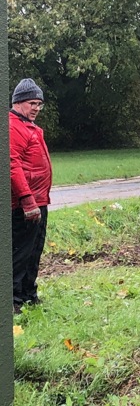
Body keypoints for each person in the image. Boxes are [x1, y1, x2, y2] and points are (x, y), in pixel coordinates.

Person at [9, 78, 52, 314]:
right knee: (20, 252)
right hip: (24, 204)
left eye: (39, 104)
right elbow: (12, 164)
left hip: (39, 200)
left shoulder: (28, 126)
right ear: (18, 102)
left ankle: (28, 295)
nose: (36, 108)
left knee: (34, 250)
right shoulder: (13, 126)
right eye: (31, 103)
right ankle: (13, 300)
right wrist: (26, 200)